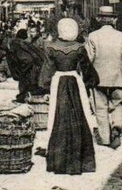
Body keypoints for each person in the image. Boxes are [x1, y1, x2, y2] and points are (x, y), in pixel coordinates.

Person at [40, 18, 96, 175]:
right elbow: (86, 68)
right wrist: (91, 82)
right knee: (79, 115)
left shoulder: (51, 48)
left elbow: (47, 69)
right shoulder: (79, 48)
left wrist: (45, 88)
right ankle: (81, 160)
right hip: (74, 82)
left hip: (58, 82)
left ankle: (59, 160)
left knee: (59, 116)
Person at [85, 5, 122, 148]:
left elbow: (89, 59)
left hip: (98, 79)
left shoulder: (93, 36)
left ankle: (105, 139)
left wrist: (87, 78)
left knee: (100, 109)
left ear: (100, 19)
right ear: (113, 20)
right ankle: (117, 126)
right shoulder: (121, 36)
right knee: (118, 104)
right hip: (117, 78)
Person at [5, 28, 47, 103]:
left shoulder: (16, 45)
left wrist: (22, 72)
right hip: (37, 71)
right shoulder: (24, 44)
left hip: (30, 74)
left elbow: (27, 60)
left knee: (28, 95)